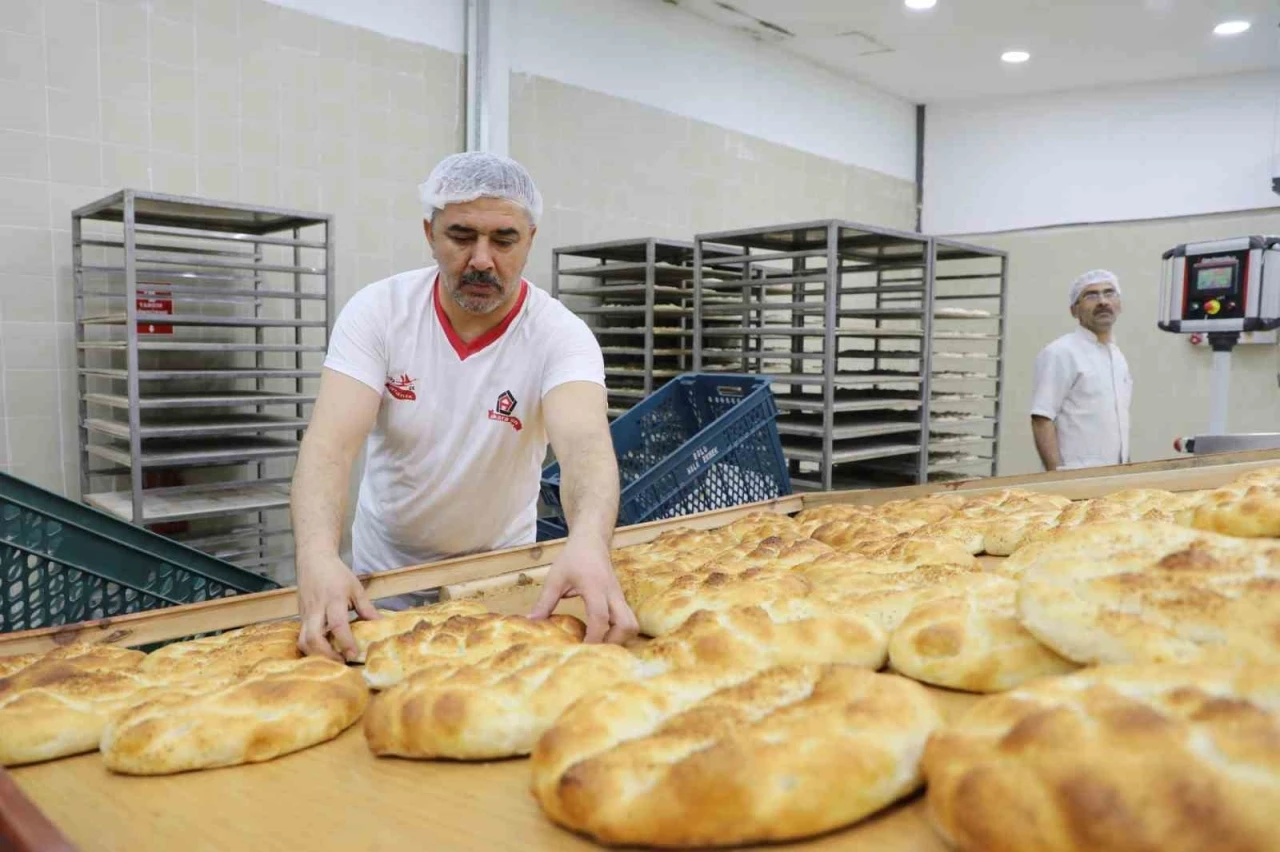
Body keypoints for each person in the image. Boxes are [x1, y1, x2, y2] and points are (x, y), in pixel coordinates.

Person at [290, 152, 638, 661]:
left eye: (504, 240)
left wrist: (588, 541)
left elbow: (585, 447)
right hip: (384, 579)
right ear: (429, 233)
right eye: (461, 236)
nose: (481, 260)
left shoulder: (559, 335)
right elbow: (329, 447)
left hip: (499, 579)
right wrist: (317, 556)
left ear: (530, 239)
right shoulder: (380, 313)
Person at [1029, 269, 1132, 472]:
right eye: (1091, 295)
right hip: (1075, 474)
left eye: (1109, 293)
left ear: (1119, 305)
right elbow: (1042, 418)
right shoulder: (1061, 353)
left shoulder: (1117, 357)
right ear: (1074, 310)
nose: (1102, 301)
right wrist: (1057, 477)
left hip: (1116, 474)